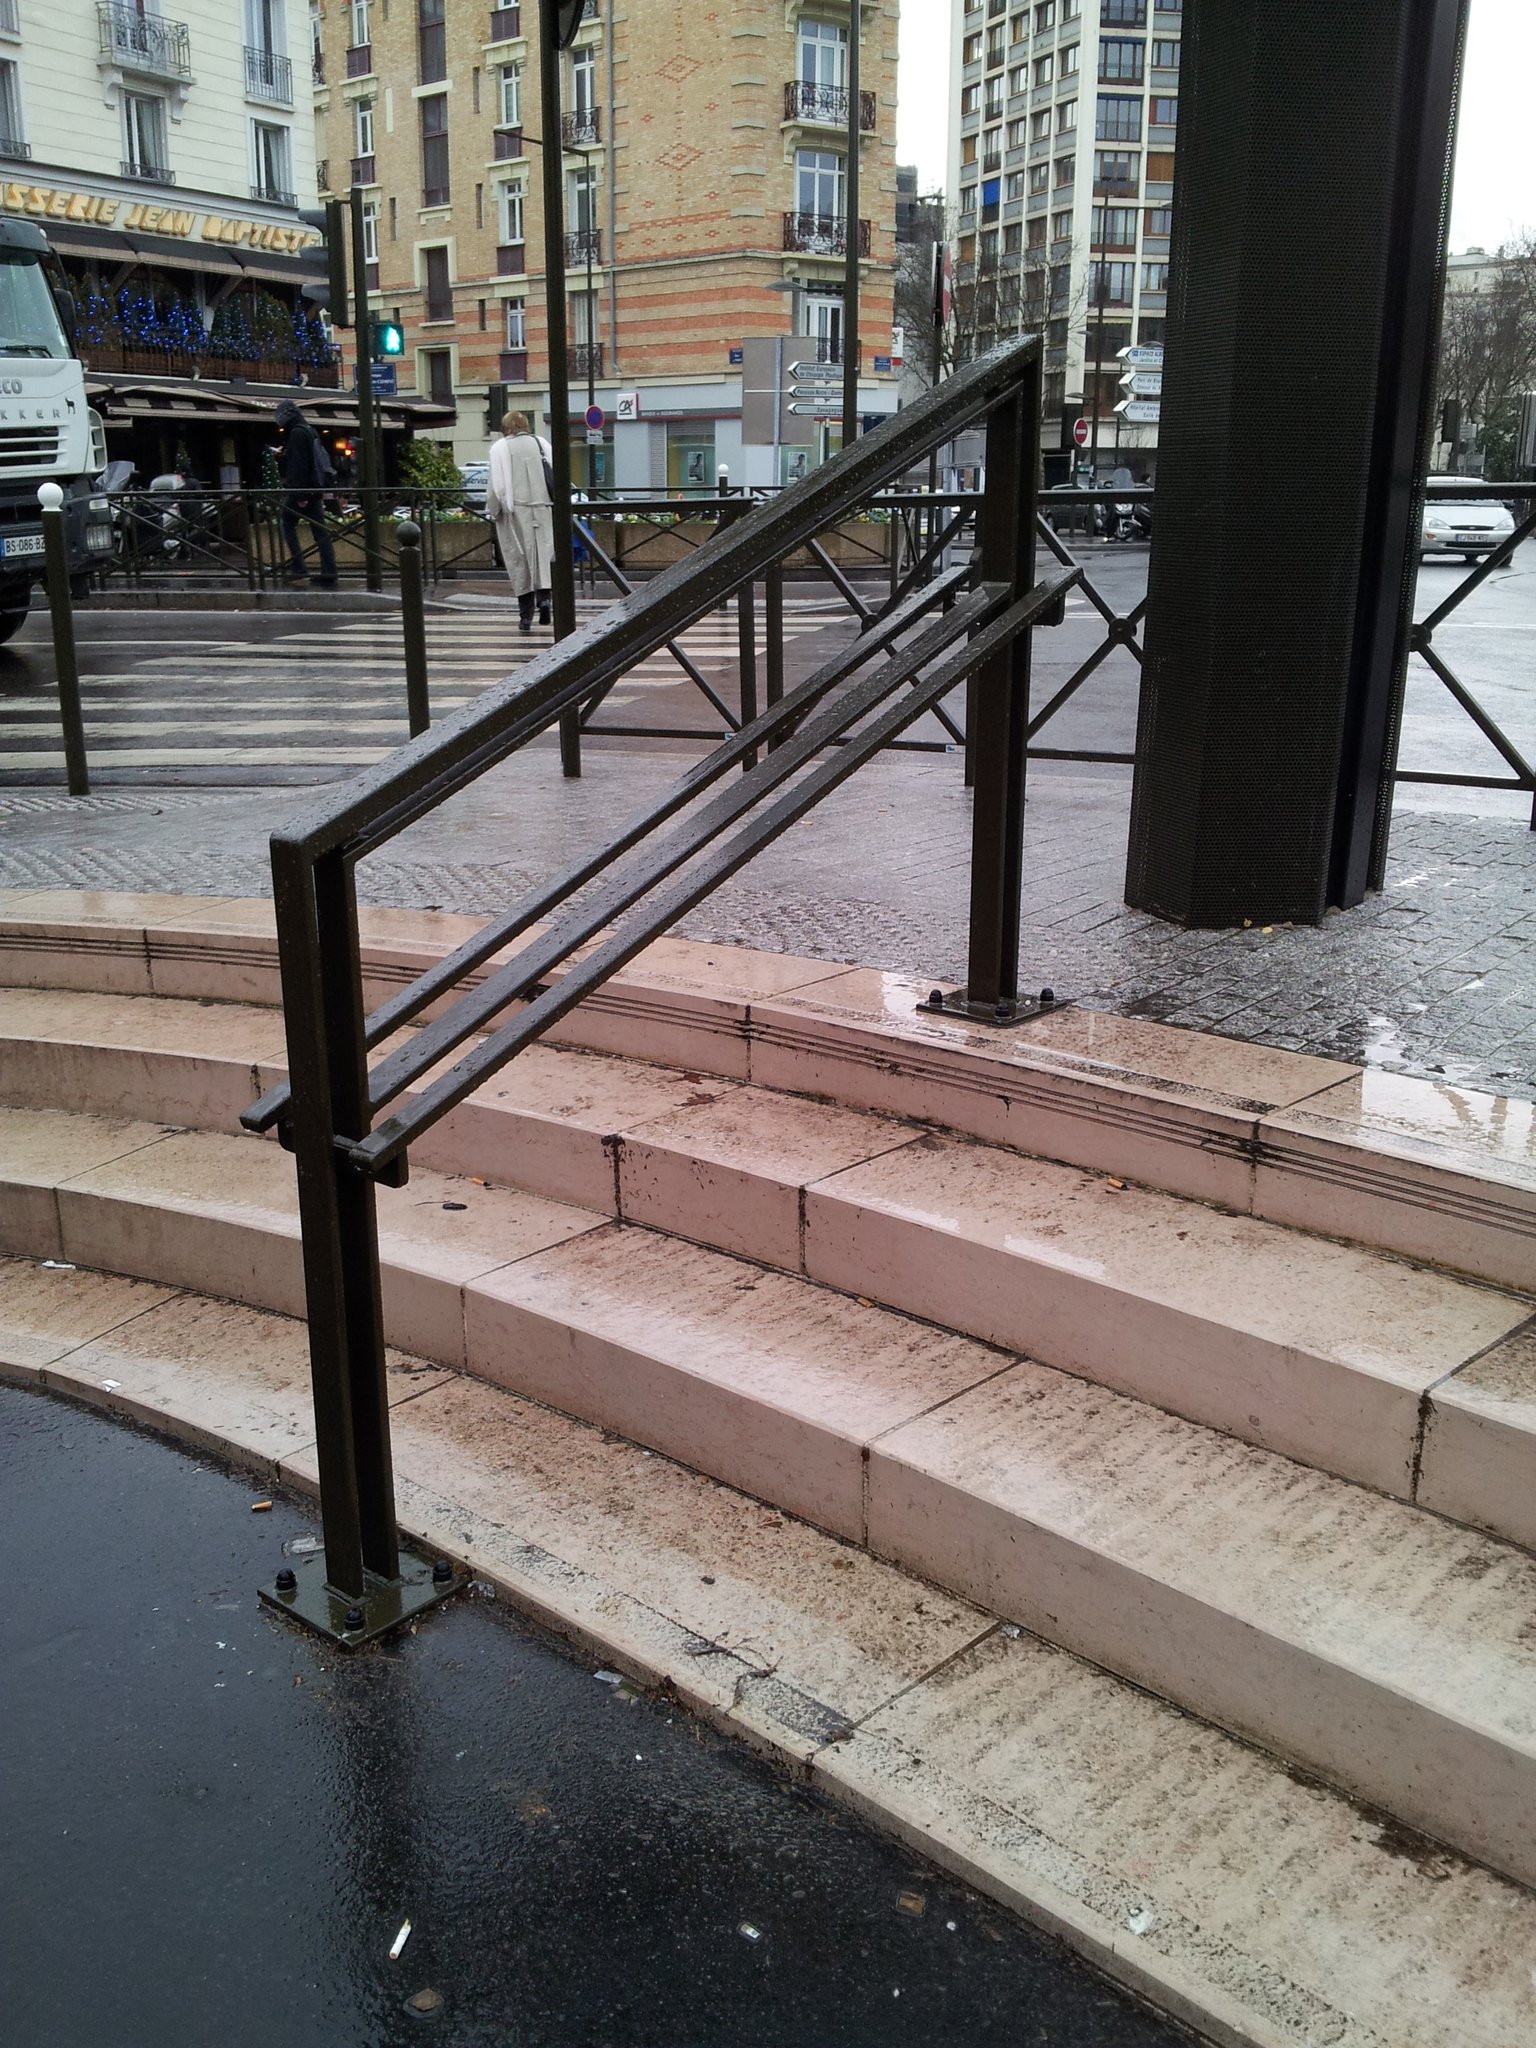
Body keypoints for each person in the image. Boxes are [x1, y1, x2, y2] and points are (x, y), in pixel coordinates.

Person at [486, 409, 553, 631]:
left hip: (514, 511)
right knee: (542, 558)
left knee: (518, 562)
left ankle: (525, 617)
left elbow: (496, 488)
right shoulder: (541, 443)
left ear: (506, 428)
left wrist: (494, 511)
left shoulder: (500, 448)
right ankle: (544, 599)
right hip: (543, 509)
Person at [274, 398, 338, 588]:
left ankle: (299, 568)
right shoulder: (309, 430)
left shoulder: (297, 434)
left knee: (286, 523)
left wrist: (300, 495)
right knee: (320, 532)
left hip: (302, 491)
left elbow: (299, 465)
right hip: (315, 488)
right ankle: (329, 571)